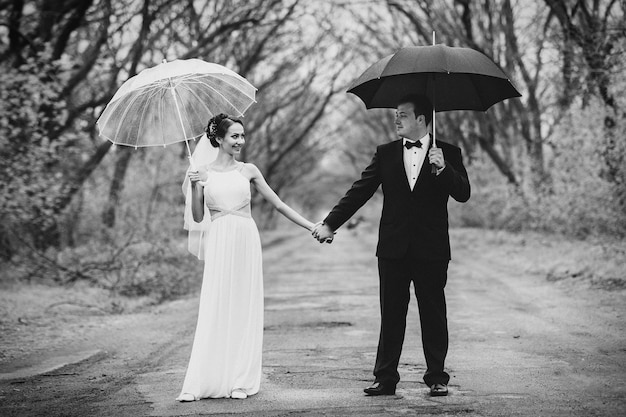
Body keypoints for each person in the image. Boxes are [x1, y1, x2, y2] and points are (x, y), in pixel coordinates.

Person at [312, 95, 470, 397]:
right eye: (396, 115)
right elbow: (360, 190)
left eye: (403, 115)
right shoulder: (385, 153)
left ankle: (437, 377)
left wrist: (445, 168)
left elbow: (463, 193)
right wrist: (330, 223)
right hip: (393, 249)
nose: (396, 120)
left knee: (433, 314)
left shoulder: (448, 152)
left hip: (432, 249)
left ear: (422, 119)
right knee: (391, 315)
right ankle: (385, 378)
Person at [177, 113, 315, 402]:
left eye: (242, 135)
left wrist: (311, 226)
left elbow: (277, 204)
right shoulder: (202, 171)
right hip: (218, 238)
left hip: (245, 239)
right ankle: (202, 382)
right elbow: (199, 216)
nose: (241, 141)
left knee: (243, 304)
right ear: (218, 138)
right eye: (234, 136)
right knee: (215, 304)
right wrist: (194, 185)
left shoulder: (248, 170)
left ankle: (241, 380)